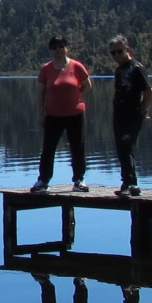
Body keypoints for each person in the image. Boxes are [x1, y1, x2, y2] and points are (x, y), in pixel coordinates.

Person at [31, 35, 92, 193]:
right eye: (54, 47)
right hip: (53, 116)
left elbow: (87, 85)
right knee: (48, 149)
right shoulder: (46, 69)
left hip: (75, 115)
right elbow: (40, 94)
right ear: (51, 50)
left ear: (67, 48)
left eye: (61, 46)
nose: (58, 49)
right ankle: (43, 181)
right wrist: (41, 115)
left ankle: (79, 180)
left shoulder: (76, 66)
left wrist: (75, 95)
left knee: (77, 148)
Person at [108, 35, 152, 198]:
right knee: (122, 151)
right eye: (113, 53)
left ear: (128, 50)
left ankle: (130, 183)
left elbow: (148, 90)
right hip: (119, 115)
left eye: (120, 51)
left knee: (126, 146)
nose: (117, 55)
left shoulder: (136, 68)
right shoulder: (119, 69)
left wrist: (144, 110)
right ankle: (129, 183)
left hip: (133, 115)